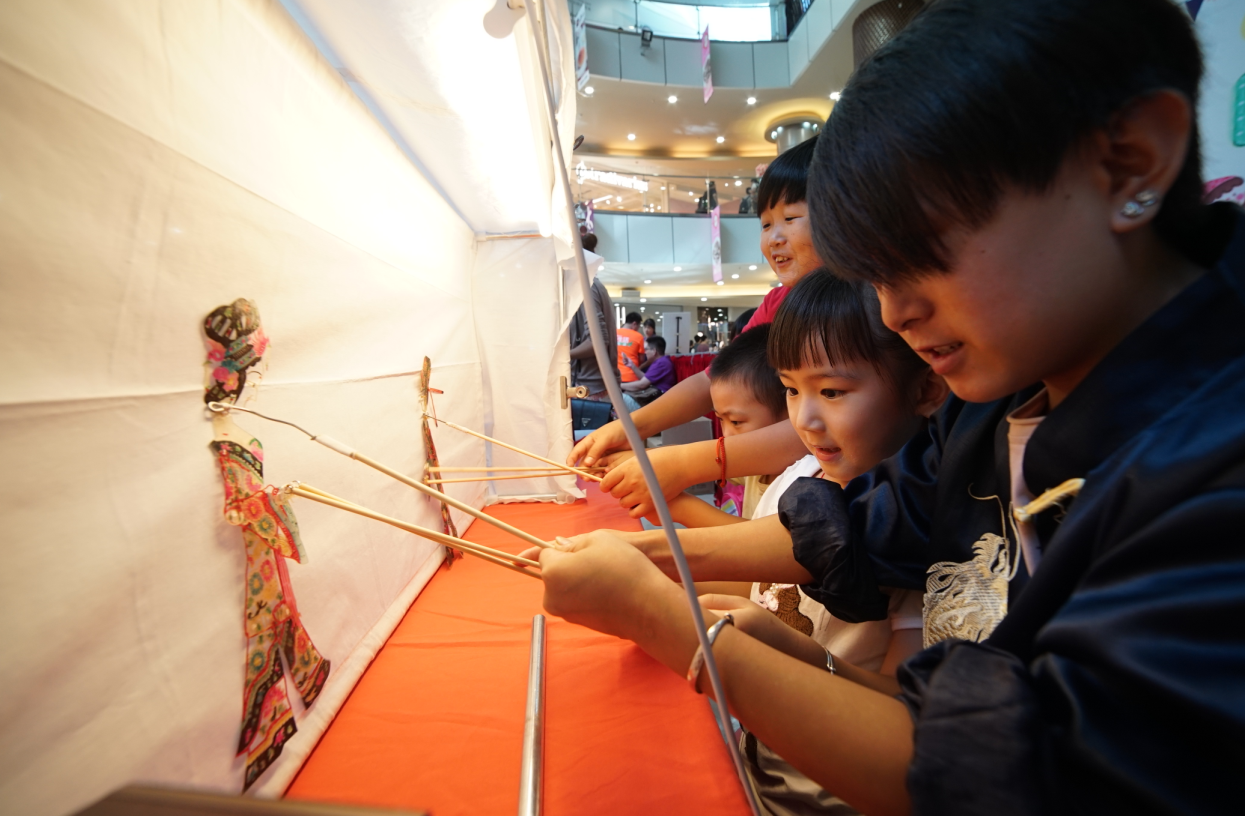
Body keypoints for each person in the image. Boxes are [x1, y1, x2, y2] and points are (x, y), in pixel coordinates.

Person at [534, 1, 1245, 813]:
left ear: (1128, 162)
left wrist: (666, 620)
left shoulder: (1214, 460)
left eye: (919, 256)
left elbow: (1034, 776)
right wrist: (653, 562)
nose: (894, 313)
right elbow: (863, 526)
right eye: (873, 275)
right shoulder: (1004, 394)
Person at [568, 138, 823, 488]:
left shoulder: (852, 306)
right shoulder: (777, 302)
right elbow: (714, 378)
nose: (773, 238)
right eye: (765, 225)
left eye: (790, 218)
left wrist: (678, 463)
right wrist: (630, 427)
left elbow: (818, 430)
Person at [653, 325, 789, 529]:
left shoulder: (799, 484)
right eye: (721, 420)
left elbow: (758, 542)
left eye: (736, 422)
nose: (726, 435)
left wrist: (680, 507)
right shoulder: (754, 466)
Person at [569, 233, 623, 408]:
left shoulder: (587, 287)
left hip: (589, 389)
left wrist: (563, 355)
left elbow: (597, 341)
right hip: (597, 387)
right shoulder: (592, 285)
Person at [620, 335, 675, 407]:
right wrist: (632, 365)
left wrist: (618, 385)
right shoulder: (661, 361)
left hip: (658, 401)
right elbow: (645, 378)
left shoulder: (661, 363)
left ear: (654, 351)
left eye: (646, 349)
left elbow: (642, 385)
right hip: (654, 396)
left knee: (620, 399)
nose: (645, 352)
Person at [616, 312, 646, 385]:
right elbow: (641, 359)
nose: (638, 329)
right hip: (632, 376)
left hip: (615, 375)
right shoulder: (639, 336)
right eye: (638, 326)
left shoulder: (614, 333)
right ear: (634, 324)